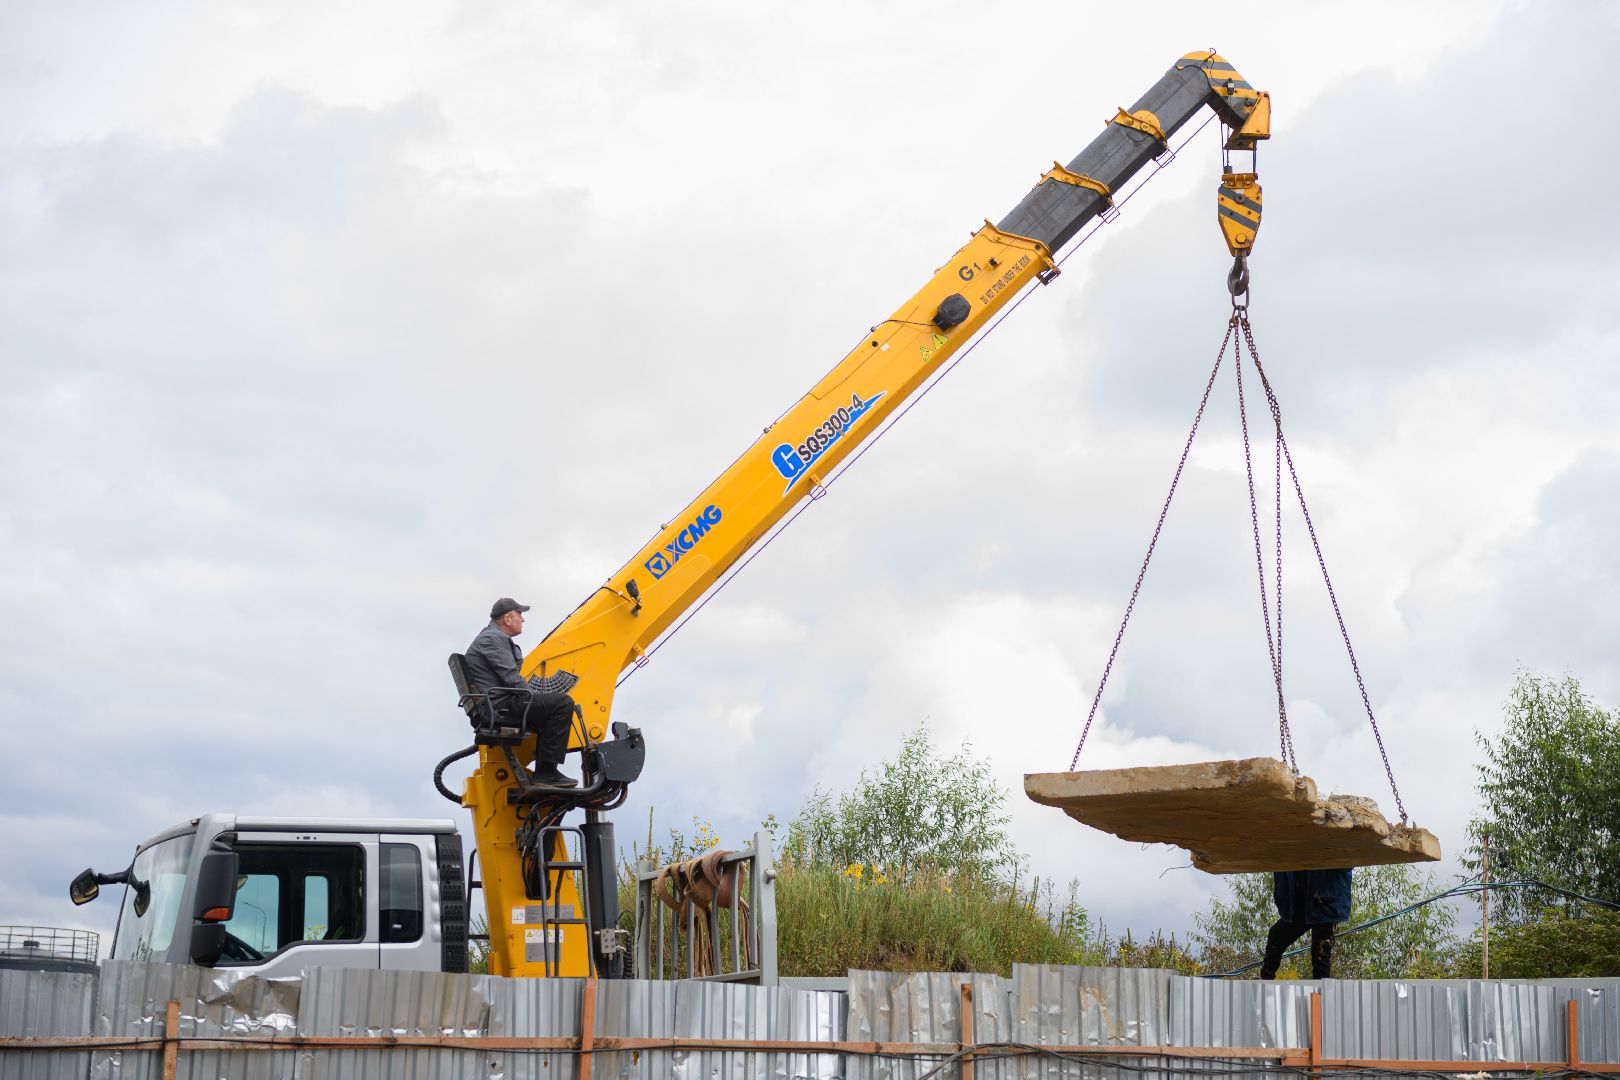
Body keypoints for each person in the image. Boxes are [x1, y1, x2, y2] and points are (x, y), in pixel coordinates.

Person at [464, 597, 579, 788]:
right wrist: (532, 695)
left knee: (548, 707)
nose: (523, 620)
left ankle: (546, 771)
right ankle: (546, 773)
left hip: (496, 703)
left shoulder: (492, 637)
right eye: (520, 615)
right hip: (502, 705)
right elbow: (511, 678)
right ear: (508, 619)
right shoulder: (493, 639)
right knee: (562, 703)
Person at [1258, 867, 1352, 979]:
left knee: (1321, 952)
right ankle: (1264, 982)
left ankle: (1320, 994)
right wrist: (1282, 900)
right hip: (1300, 903)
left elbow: (1348, 862)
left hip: (1325, 902)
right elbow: (1280, 869)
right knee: (1276, 936)